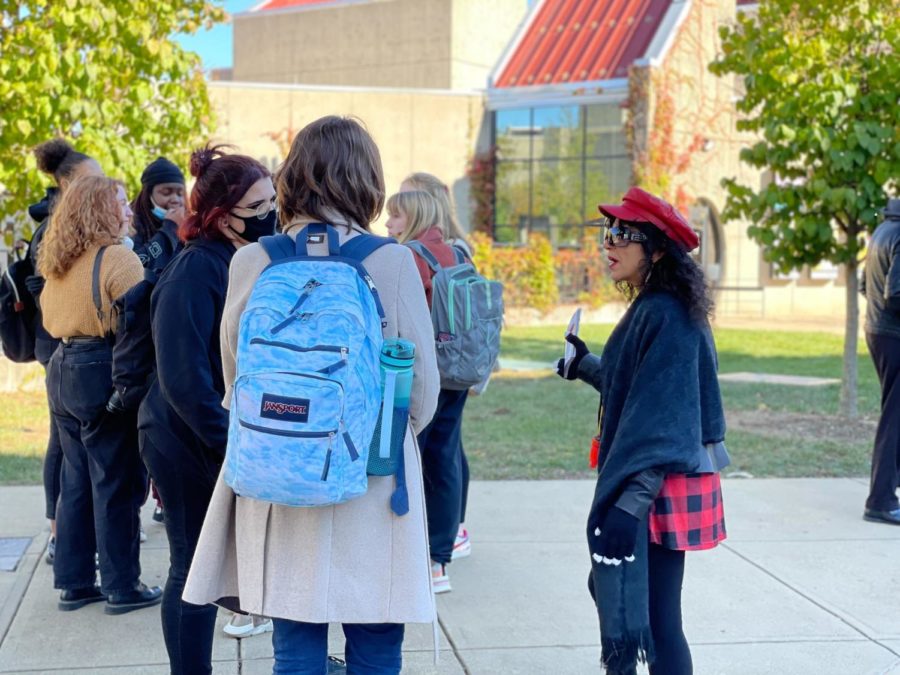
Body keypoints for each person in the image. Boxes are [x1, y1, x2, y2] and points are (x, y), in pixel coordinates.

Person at [183, 116, 440, 674]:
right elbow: (423, 391)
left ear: (293, 177)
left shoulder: (253, 261)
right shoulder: (391, 261)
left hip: (278, 474)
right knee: (375, 638)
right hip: (371, 477)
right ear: (366, 180)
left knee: (295, 641)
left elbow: (235, 376)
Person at [556, 187, 728, 675]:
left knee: (655, 619)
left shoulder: (666, 313)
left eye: (623, 234)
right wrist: (584, 365)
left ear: (655, 249)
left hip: (658, 480)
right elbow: (642, 387)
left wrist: (628, 509)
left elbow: (664, 423)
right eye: (607, 233)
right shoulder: (659, 303)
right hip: (657, 475)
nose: (609, 244)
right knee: (629, 602)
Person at [137, 146, 275, 674]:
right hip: (182, 437)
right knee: (193, 564)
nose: (271, 213)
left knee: (214, 562)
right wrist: (231, 443)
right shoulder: (196, 269)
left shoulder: (243, 261)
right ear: (222, 215)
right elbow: (183, 378)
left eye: (272, 200)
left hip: (220, 432)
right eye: (258, 204)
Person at [37, 174, 162, 614]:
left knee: (76, 479)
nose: (130, 212)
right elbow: (140, 330)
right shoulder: (118, 261)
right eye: (123, 204)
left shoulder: (58, 263)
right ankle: (122, 586)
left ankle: (74, 582)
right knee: (117, 482)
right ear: (99, 211)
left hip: (61, 370)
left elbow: (51, 324)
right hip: (102, 370)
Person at [386, 189, 469, 592]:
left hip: (427, 370)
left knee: (417, 458)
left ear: (413, 217)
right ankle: (440, 559)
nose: (388, 225)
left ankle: (421, 554)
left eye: (395, 217)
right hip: (459, 368)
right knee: (447, 459)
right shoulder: (458, 252)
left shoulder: (414, 255)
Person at [27, 139, 104, 565]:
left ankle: (68, 534)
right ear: (71, 182)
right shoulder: (53, 227)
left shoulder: (63, 222)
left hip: (61, 344)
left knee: (68, 445)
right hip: (58, 344)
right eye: (93, 179)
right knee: (63, 444)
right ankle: (59, 532)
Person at [860, 198, 900, 526]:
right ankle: (881, 501)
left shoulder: (883, 230)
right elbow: (897, 293)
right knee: (894, 419)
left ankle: (888, 489)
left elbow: (864, 285)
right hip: (895, 334)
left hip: (877, 330)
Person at [130, 157, 187, 270]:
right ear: (148, 194)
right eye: (166, 192)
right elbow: (135, 265)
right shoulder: (130, 224)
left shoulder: (190, 225)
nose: (175, 199)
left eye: (180, 194)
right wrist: (170, 227)